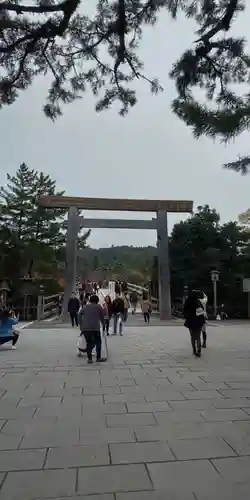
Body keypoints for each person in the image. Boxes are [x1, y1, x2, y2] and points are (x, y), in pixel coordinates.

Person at [78, 294, 105, 364]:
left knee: (89, 343)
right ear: (97, 300)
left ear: (90, 300)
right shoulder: (99, 307)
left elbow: (79, 314)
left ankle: (89, 359)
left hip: (85, 328)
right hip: (95, 328)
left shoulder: (85, 306)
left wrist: (80, 323)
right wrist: (104, 324)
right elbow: (102, 317)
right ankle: (98, 358)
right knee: (98, 342)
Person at [183, 290, 205, 357]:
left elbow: (184, 311)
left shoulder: (188, 301)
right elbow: (202, 310)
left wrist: (187, 317)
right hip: (198, 321)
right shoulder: (197, 302)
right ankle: (199, 350)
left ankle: (194, 349)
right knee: (198, 336)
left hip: (190, 321)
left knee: (192, 336)